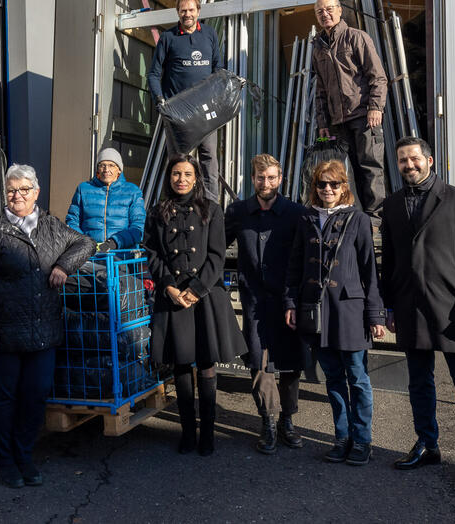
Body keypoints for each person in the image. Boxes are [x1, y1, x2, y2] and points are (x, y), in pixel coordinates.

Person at [0, 164, 94, 489]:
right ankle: (7, 462)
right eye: (11, 190)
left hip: (44, 333)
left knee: (35, 397)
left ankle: (25, 456)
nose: (17, 196)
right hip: (5, 337)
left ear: (36, 193)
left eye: (24, 189)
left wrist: (64, 266)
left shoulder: (51, 226)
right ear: (4, 195)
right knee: (5, 400)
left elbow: (85, 244)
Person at [380, 136, 455, 488]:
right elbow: (392, 263)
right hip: (410, 310)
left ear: (429, 161)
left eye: (414, 159)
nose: (408, 165)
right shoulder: (393, 204)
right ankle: (427, 444)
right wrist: (389, 306)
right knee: (419, 384)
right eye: (402, 160)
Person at [284, 159, 386, 466]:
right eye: (321, 184)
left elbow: (370, 270)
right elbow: (295, 265)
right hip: (317, 313)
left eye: (334, 184)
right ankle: (341, 437)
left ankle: (363, 440)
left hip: (350, 311)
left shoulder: (358, 219)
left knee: (357, 378)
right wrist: (290, 303)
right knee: (333, 379)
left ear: (344, 187)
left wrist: (375, 315)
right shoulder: (305, 218)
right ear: (314, 187)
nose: (327, 189)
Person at [144, 154, 246, 456]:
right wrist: (169, 286)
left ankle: (209, 434)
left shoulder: (211, 210)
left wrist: (196, 290)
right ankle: (187, 432)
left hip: (204, 297)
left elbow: (217, 255)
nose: (181, 179)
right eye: (176, 174)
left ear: (196, 177)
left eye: (187, 173)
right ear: (169, 177)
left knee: (205, 362)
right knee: (180, 363)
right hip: (172, 295)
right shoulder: (157, 211)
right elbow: (152, 253)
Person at [224, 153, 307, 454]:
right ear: (253, 178)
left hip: (288, 300)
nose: (266, 183)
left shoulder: (295, 213)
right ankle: (267, 420)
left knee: (291, 363)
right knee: (259, 362)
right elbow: (215, 245)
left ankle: (287, 420)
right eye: (261, 177)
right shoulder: (239, 212)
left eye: (272, 177)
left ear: (280, 178)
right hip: (255, 301)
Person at [312, 0, 388, 224]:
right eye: (320, 12)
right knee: (346, 172)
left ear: (339, 11)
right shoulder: (317, 48)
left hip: (364, 116)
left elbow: (378, 77)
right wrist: (323, 123)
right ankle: (354, 217)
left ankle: (375, 220)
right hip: (338, 121)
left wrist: (375, 107)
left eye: (329, 9)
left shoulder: (356, 37)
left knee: (371, 167)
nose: (325, 14)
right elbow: (321, 90)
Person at [147, 0, 223, 199]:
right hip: (178, 113)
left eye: (191, 10)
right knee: (179, 162)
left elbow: (219, 69)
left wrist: (220, 97)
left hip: (206, 110)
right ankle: (177, 206)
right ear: (177, 12)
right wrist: (160, 101)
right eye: (183, 10)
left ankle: (210, 208)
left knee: (209, 159)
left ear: (198, 11)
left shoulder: (209, 35)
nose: (187, 14)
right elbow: (153, 74)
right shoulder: (168, 38)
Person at [65, 147, 146, 253]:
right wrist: (85, 242)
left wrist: (114, 242)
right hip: (89, 256)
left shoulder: (133, 191)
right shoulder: (83, 189)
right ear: (98, 169)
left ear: (119, 170)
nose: (106, 170)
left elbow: (138, 227)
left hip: (121, 255)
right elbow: (72, 221)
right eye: (102, 165)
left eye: (111, 165)